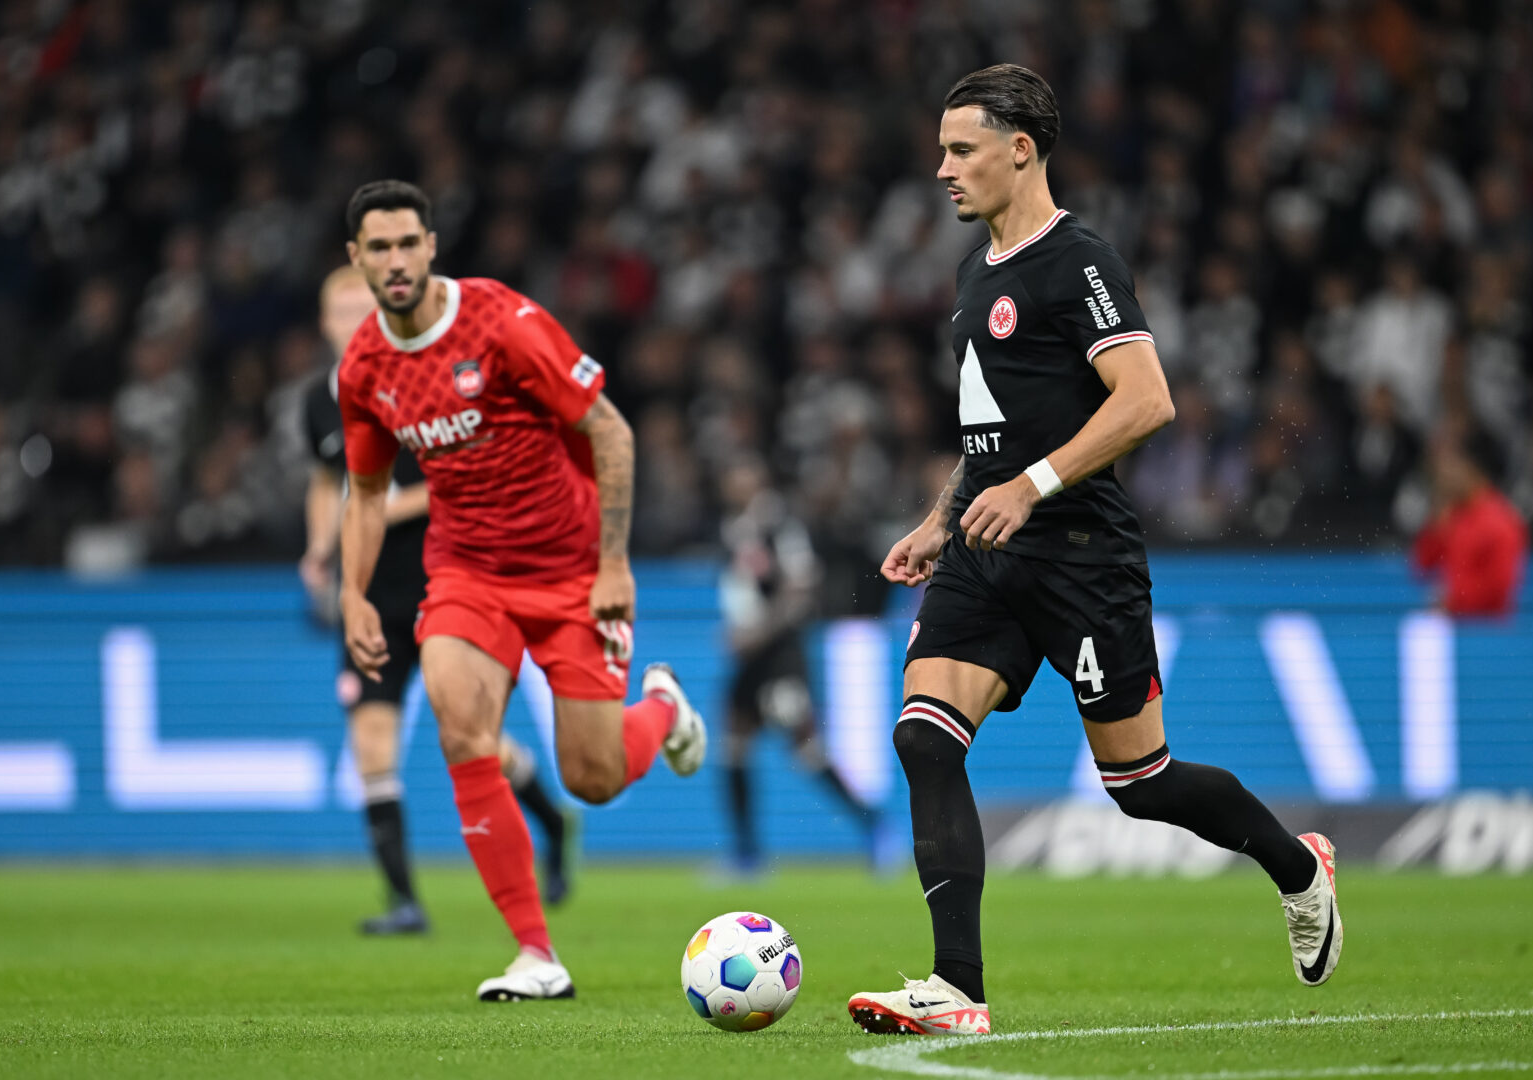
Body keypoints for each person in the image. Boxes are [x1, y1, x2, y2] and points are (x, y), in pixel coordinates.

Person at [848, 65, 1340, 1038]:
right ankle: (957, 990)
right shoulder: (972, 272)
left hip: (1080, 554)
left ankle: (1298, 866)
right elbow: (993, 430)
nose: (941, 169)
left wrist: (1030, 488)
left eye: (961, 150)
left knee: (1142, 787)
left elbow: (1147, 400)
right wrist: (943, 515)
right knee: (922, 737)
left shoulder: (1080, 262)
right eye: (941, 150)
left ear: (1019, 150)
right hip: (988, 554)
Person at [334, 180, 706, 1001]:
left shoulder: (501, 323)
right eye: (378, 248)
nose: (395, 261)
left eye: (407, 244)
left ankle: (664, 713)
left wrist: (614, 563)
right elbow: (365, 492)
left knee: (593, 778)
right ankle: (536, 954)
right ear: (355, 258)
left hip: (571, 567)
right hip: (467, 573)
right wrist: (354, 593)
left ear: (431, 246)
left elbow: (609, 428)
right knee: (462, 733)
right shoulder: (363, 367)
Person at [300, 268, 574, 935]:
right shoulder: (317, 398)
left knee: (476, 738)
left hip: (443, 582)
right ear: (324, 322)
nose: (350, 317)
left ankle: (554, 823)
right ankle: (405, 901)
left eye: (359, 304)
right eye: (338, 308)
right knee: (371, 741)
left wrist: (387, 507)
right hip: (368, 597)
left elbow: (460, 473)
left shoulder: (419, 377)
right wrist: (318, 549)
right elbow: (325, 478)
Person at [717, 456, 879, 871]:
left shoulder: (779, 524)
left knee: (805, 750)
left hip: (779, 657)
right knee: (733, 744)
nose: (734, 482)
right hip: (750, 662)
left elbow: (803, 588)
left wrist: (758, 632)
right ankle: (746, 854)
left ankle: (875, 825)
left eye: (743, 473)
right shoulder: (734, 529)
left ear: (757, 479)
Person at [1411, 426, 1528, 615]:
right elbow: (1422, 566)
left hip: (1488, 634)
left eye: (1448, 465)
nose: (1441, 475)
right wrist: (1437, 524)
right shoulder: (1454, 513)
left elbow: (1500, 587)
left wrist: (1454, 600)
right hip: (1455, 624)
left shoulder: (1501, 520)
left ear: (1469, 467)